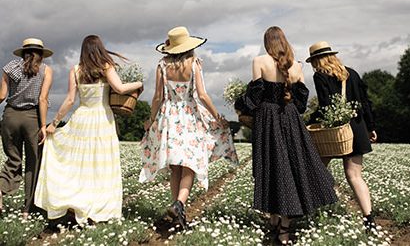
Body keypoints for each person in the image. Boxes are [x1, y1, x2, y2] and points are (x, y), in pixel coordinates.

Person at [235, 27, 337, 244]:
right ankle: (283, 225)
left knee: (272, 166)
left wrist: (238, 104)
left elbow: (254, 97)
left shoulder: (258, 61)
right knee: (291, 168)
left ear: (267, 43)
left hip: (267, 120)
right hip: (290, 119)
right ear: (283, 41)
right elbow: (300, 104)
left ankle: (276, 221)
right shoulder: (297, 65)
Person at [35, 35, 143, 224]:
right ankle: (99, 206)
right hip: (102, 119)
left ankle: (76, 201)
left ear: (83, 51)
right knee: (101, 165)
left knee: (80, 164)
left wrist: (54, 123)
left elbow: (70, 100)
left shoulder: (76, 70)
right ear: (100, 49)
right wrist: (139, 84)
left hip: (82, 118)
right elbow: (119, 88)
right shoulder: (106, 67)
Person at [139, 26, 238, 228]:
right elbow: (202, 95)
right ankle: (179, 204)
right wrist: (216, 116)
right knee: (190, 165)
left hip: (169, 116)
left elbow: (158, 96)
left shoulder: (162, 65)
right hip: (190, 116)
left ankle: (177, 210)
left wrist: (151, 120)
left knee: (175, 166)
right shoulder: (194, 63)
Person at [306, 41, 377, 230]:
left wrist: (307, 122)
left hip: (335, 132)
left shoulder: (320, 76)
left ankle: (311, 212)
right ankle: (369, 219)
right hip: (358, 127)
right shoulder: (351, 73)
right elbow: (365, 102)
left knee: (316, 171)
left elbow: (325, 106)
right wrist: (370, 127)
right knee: (354, 175)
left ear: (315, 60)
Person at [0, 38, 53, 218]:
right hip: (32, 118)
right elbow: (43, 100)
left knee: (13, 159)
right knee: (33, 163)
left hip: (10, 117)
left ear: (23, 53)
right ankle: (27, 210)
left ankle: (0, 190)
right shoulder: (46, 70)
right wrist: (43, 126)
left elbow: (1, 96)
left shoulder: (10, 68)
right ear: (41, 54)